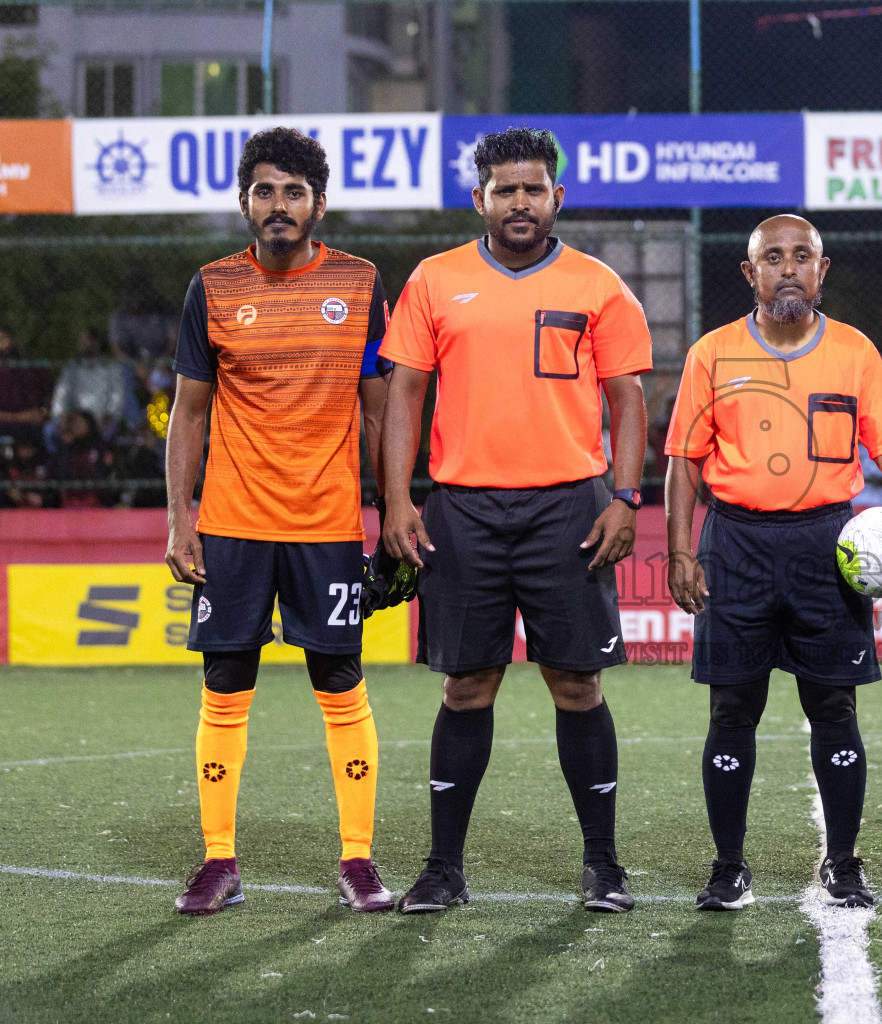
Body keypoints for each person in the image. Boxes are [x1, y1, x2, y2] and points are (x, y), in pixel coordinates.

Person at [378, 127, 653, 915]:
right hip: (461, 508)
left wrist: (626, 498)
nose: (521, 201)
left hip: (569, 506)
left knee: (576, 684)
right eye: (506, 190)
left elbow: (628, 398)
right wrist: (399, 498)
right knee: (467, 687)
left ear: (557, 196)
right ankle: (442, 868)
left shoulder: (600, 285)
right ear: (481, 199)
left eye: (534, 188)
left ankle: (602, 865)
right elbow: (405, 395)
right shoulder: (435, 280)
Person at [664, 215, 882, 911]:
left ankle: (843, 862)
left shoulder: (853, 352)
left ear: (823, 270)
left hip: (827, 547)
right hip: (736, 544)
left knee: (834, 707)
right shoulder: (712, 354)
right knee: (731, 710)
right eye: (773, 258)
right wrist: (680, 549)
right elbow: (683, 464)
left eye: (802, 257)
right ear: (749, 273)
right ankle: (729, 866)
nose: (788, 268)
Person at [163, 127, 394, 916]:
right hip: (231, 523)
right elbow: (189, 415)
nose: (279, 205)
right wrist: (179, 519)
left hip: (326, 523)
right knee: (225, 684)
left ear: (319, 204)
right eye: (265, 190)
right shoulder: (212, 287)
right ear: (244, 204)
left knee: (340, 680)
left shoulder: (361, 285)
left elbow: (377, 408)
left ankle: (358, 860)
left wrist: (395, 509)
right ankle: (218, 860)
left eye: (294, 192)